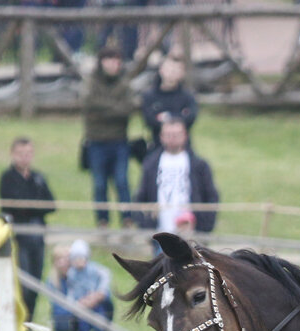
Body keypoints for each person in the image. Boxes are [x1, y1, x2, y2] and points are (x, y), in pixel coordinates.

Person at [0, 136, 57, 322]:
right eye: (21, 154)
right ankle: (17, 327)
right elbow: (12, 206)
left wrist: (29, 205)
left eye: (28, 153)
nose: (25, 157)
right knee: (22, 285)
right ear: (13, 154)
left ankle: (28, 329)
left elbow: (51, 204)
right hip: (19, 238)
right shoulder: (7, 178)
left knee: (35, 286)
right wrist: (34, 205)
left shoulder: (38, 177)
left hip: (37, 237)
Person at [82, 44, 137, 228]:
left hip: (119, 141)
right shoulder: (92, 82)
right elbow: (90, 104)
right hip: (96, 142)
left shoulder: (125, 82)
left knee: (122, 181)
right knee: (99, 184)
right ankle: (102, 220)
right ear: (102, 62)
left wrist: (104, 109)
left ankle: (127, 218)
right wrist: (114, 107)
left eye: (117, 60)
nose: (114, 64)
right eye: (110, 60)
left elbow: (127, 108)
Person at [133, 119, 218, 235]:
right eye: (168, 134)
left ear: (185, 136)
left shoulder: (199, 165)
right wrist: (146, 225)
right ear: (161, 136)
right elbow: (140, 197)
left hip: (192, 235)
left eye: (176, 134)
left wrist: (204, 226)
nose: (172, 138)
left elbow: (211, 196)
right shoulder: (151, 164)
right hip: (161, 235)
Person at [58, 239, 114, 331]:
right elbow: (71, 289)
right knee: (83, 324)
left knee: (100, 320)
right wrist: (74, 303)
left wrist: (98, 293)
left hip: (95, 302)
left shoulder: (93, 269)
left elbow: (106, 274)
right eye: (76, 258)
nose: (79, 261)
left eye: (81, 258)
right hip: (81, 304)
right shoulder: (72, 273)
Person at [140, 56, 199, 150]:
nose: (172, 73)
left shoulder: (188, 96)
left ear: (181, 73)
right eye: (169, 69)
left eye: (176, 70)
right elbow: (149, 120)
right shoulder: (149, 96)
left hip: (183, 148)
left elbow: (190, 117)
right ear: (161, 70)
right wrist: (178, 116)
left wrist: (165, 117)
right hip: (157, 146)